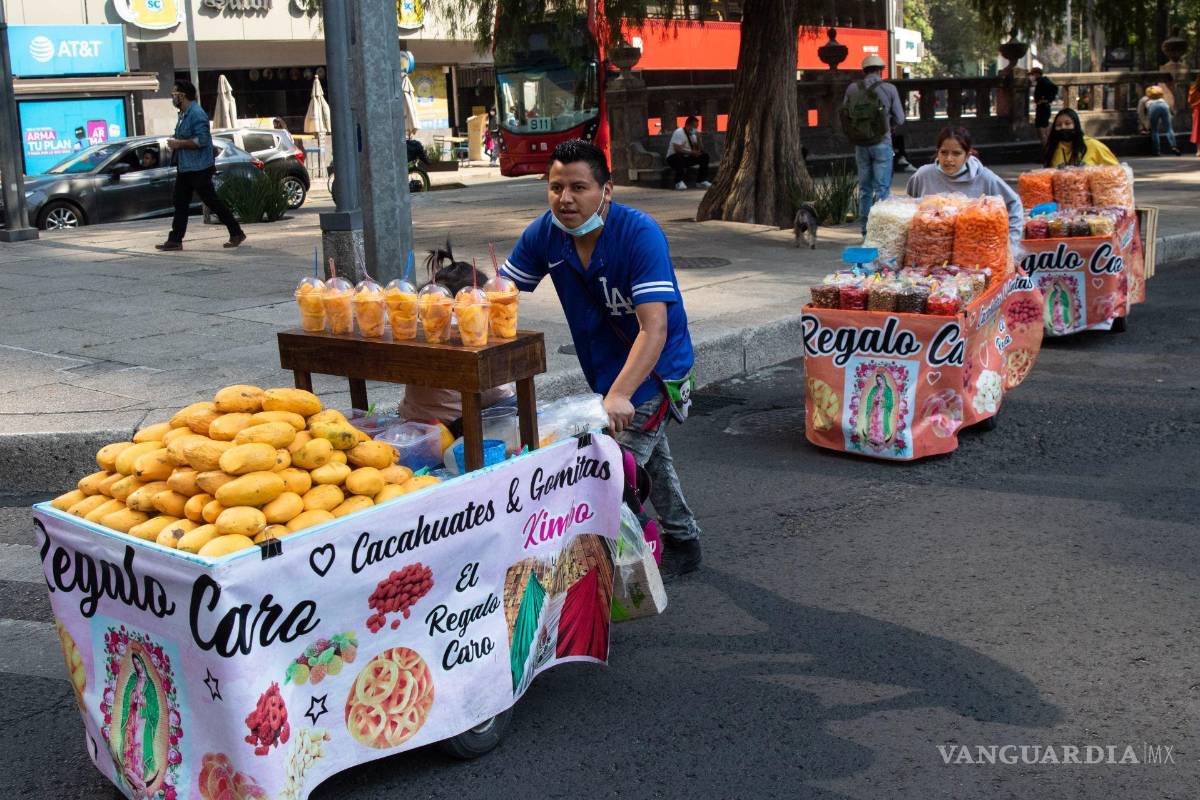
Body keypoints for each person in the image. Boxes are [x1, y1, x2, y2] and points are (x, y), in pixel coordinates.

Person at [500, 140, 702, 575]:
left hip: (654, 371)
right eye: (556, 188)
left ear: (606, 190)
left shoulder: (639, 234)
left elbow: (655, 329)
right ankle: (683, 540)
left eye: (578, 187)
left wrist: (620, 394)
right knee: (647, 458)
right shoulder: (546, 234)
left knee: (611, 476)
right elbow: (499, 296)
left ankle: (615, 571)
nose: (565, 199)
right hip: (606, 372)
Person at [399, 242, 515, 432]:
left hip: (413, 416)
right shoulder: (463, 327)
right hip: (456, 424)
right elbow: (494, 392)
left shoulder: (420, 324)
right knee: (512, 403)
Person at [156, 80, 245, 252]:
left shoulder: (196, 114)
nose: (173, 98)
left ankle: (236, 232)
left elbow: (202, 140)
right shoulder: (183, 114)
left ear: (182, 95)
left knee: (211, 201)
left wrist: (179, 144)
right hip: (186, 167)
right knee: (180, 201)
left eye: (174, 94)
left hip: (199, 168)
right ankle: (175, 240)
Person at [906, 126, 1023, 245]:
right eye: (944, 152)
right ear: (938, 152)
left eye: (956, 153)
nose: (949, 159)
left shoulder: (985, 178)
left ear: (967, 155)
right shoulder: (923, 175)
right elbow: (909, 207)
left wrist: (1011, 244)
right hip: (930, 250)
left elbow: (1014, 204)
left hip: (972, 251)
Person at [842, 55, 906, 236]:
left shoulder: (853, 88)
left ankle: (865, 230)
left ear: (864, 70)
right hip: (882, 143)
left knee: (865, 189)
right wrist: (888, 123)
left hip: (861, 144)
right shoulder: (889, 88)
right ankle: (882, 230)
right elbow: (900, 118)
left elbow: (844, 114)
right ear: (881, 70)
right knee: (882, 188)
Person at [1042, 108, 1119, 167]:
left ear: (1076, 125)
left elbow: (1116, 171)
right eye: (1058, 125)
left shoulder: (1093, 146)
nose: (1063, 127)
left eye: (1067, 123)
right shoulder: (1053, 149)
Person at [665, 115, 711, 191]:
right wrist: (691, 153)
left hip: (686, 157)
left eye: (697, 127)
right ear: (687, 125)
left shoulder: (693, 135)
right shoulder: (679, 132)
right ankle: (678, 182)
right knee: (679, 156)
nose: (695, 129)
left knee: (704, 156)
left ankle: (701, 181)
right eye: (694, 127)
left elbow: (701, 149)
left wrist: (699, 139)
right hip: (673, 158)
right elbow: (677, 149)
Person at [1138, 85, 1182, 156]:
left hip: (1153, 108)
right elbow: (1169, 106)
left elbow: (1141, 114)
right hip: (1164, 106)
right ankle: (1174, 146)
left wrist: (1146, 125)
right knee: (1169, 129)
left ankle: (1156, 151)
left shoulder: (1143, 99)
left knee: (1154, 131)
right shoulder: (1160, 97)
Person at [1029, 67, 1058, 147]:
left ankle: (1046, 147)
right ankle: (1046, 146)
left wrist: (1047, 99)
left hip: (1043, 107)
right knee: (1042, 126)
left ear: (1037, 74)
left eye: (1033, 74)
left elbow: (1054, 88)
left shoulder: (1043, 81)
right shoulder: (1040, 81)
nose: (1032, 77)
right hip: (1042, 107)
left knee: (1042, 127)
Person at [1190, 75, 1200, 157]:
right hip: (1197, 109)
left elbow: (1190, 100)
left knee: (1197, 130)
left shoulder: (1194, 88)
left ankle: (1199, 150)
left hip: (1197, 110)